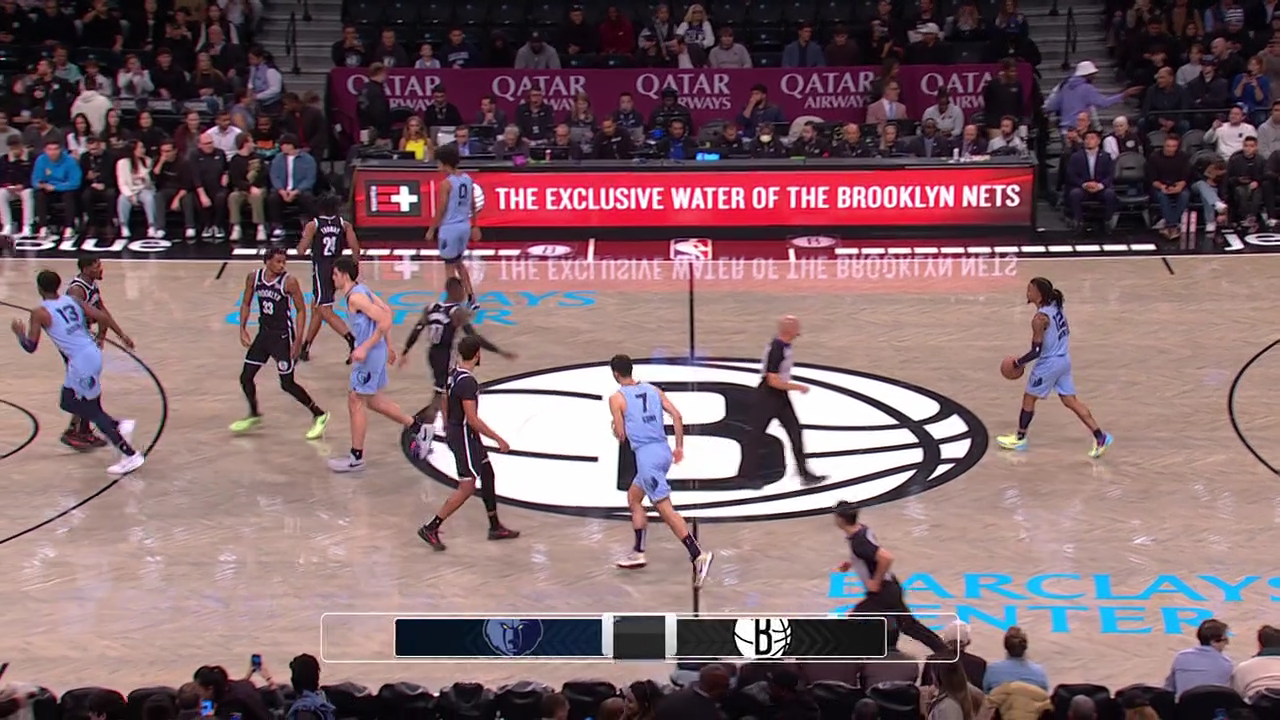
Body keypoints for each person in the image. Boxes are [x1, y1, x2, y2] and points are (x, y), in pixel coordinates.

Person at [11, 269, 143, 476]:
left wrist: (19, 334)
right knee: (67, 401)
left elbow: (31, 346)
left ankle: (130, 454)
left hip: (82, 362)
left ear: (39, 288)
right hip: (89, 354)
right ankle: (117, 424)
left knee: (93, 411)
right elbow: (102, 316)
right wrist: (102, 337)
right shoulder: (72, 300)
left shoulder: (39, 313)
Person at [609, 354, 714, 587]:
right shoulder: (653, 390)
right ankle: (638, 552)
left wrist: (615, 428)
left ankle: (698, 554)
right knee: (634, 497)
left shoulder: (616, 398)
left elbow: (622, 435)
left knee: (666, 510)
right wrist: (679, 447)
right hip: (663, 452)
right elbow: (677, 416)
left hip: (646, 459)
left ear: (615, 374)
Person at [417, 335, 519, 549]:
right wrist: (498, 439)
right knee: (467, 485)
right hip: (464, 435)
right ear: (478, 354)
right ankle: (431, 526)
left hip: (460, 432)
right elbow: (472, 419)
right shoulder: (468, 382)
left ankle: (495, 526)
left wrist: (447, 424)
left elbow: (444, 399)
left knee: (487, 473)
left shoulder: (453, 374)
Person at [327, 257, 428, 472]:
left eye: (335, 274)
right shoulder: (363, 289)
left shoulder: (356, 298)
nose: (332, 278)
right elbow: (387, 311)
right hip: (376, 351)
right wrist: (388, 346)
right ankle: (416, 426)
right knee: (371, 400)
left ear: (344, 275)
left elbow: (384, 319)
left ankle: (356, 457)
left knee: (355, 399)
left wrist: (364, 347)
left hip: (369, 354)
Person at [997, 278, 1112, 457]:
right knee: (1070, 401)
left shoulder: (1039, 319)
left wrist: (1018, 363)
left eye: (1030, 290)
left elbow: (1036, 351)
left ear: (1039, 294)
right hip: (1064, 360)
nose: (1027, 293)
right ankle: (1100, 436)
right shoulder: (1056, 307)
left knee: (1029, 398)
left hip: (1049, 363)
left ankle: (1019, 439)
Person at [230, 247, 329, 440]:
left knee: (287, 383)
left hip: (283, 337)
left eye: (284, 262)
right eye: (278, 262)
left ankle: (319, 414)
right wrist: (242, 328)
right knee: (245, 377)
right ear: (267, 261)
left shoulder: (289, 282)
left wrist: (298, 340)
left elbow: (301, 310)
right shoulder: (254, 278)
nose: (282, 265)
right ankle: (254, 413)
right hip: (264, 334)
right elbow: (246, 303)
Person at [398, 276, 515, 437]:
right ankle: (425, 434)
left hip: (432, 354)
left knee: (445, 392)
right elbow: (474, 336)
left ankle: (446, 427)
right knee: (440, 395)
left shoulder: (431, 308)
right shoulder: (456, 312)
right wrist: (499, 351)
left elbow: (416, 331)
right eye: (462, 291)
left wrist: (405, 351)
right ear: (455, 291)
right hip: (445, 355)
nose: (463, 295)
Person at [833, 501, 949, 653]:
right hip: (889, 589)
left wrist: (875, 581)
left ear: (840, 519)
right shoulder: (861, 529)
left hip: (883, 592)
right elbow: (870, 554)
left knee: (855, 621)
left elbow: (886, 558)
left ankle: (858, 658)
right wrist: (852, 562)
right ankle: (944, 651)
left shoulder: (859, 542)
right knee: (908, 626)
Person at [739, 315, 825, 484]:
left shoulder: (784, 345)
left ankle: (804, 473)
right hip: (767, 397)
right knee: (755, 435)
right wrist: (798, 387)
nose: (799, 330)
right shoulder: (777, 350)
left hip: (779, 396)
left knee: (795, 432)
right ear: (790, 330)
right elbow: (772, 380)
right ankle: (746, 475)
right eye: (796, 327)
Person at [295, 194, 358, 363]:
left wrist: (302, 238)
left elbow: (301, 250)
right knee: (317, 309)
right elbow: (355, 248)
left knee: (325, 310)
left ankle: (351, 339)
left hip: (322, 270)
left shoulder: (313, 225)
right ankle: (305, 347)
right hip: (338, 270)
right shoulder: (344, 224)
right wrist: (354, 268)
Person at [62, 256, 115, 449]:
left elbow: (102, 312)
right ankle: (75, 431)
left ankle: (79, 430)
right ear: (86, 269)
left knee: (87, 386)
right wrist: (97, 336)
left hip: (84, 342)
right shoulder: (76, 290)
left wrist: (118, 334)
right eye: (97, 266)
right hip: (75, 344)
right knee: (85, 387)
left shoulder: (91, 285)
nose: (101, 269)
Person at [424, 144, 479, 310]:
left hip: (450, 228)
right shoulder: (467, 179)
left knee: (449, 267)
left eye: (438, 162)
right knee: (459, 263)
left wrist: (431, 229)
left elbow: (441, 209)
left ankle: (452, 302)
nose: (437, 166)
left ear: (444, 162)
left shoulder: (446, 183)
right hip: (464, 226)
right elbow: (473, 204)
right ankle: (471, 298)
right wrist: (475, 225)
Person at [32, 139, 82, 239]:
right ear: (45, 150)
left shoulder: (70, 160)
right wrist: (42, 185)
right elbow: (35, 180)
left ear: (61, 150)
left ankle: (69, 227)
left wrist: (56, 187)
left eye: (56, 149)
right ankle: (43, 227)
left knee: (69, 195)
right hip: (48, 190)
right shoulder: (41, 160)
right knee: (38, 194)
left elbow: (75, 182)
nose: (53, 152)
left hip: (65, 189)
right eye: (50, 149)